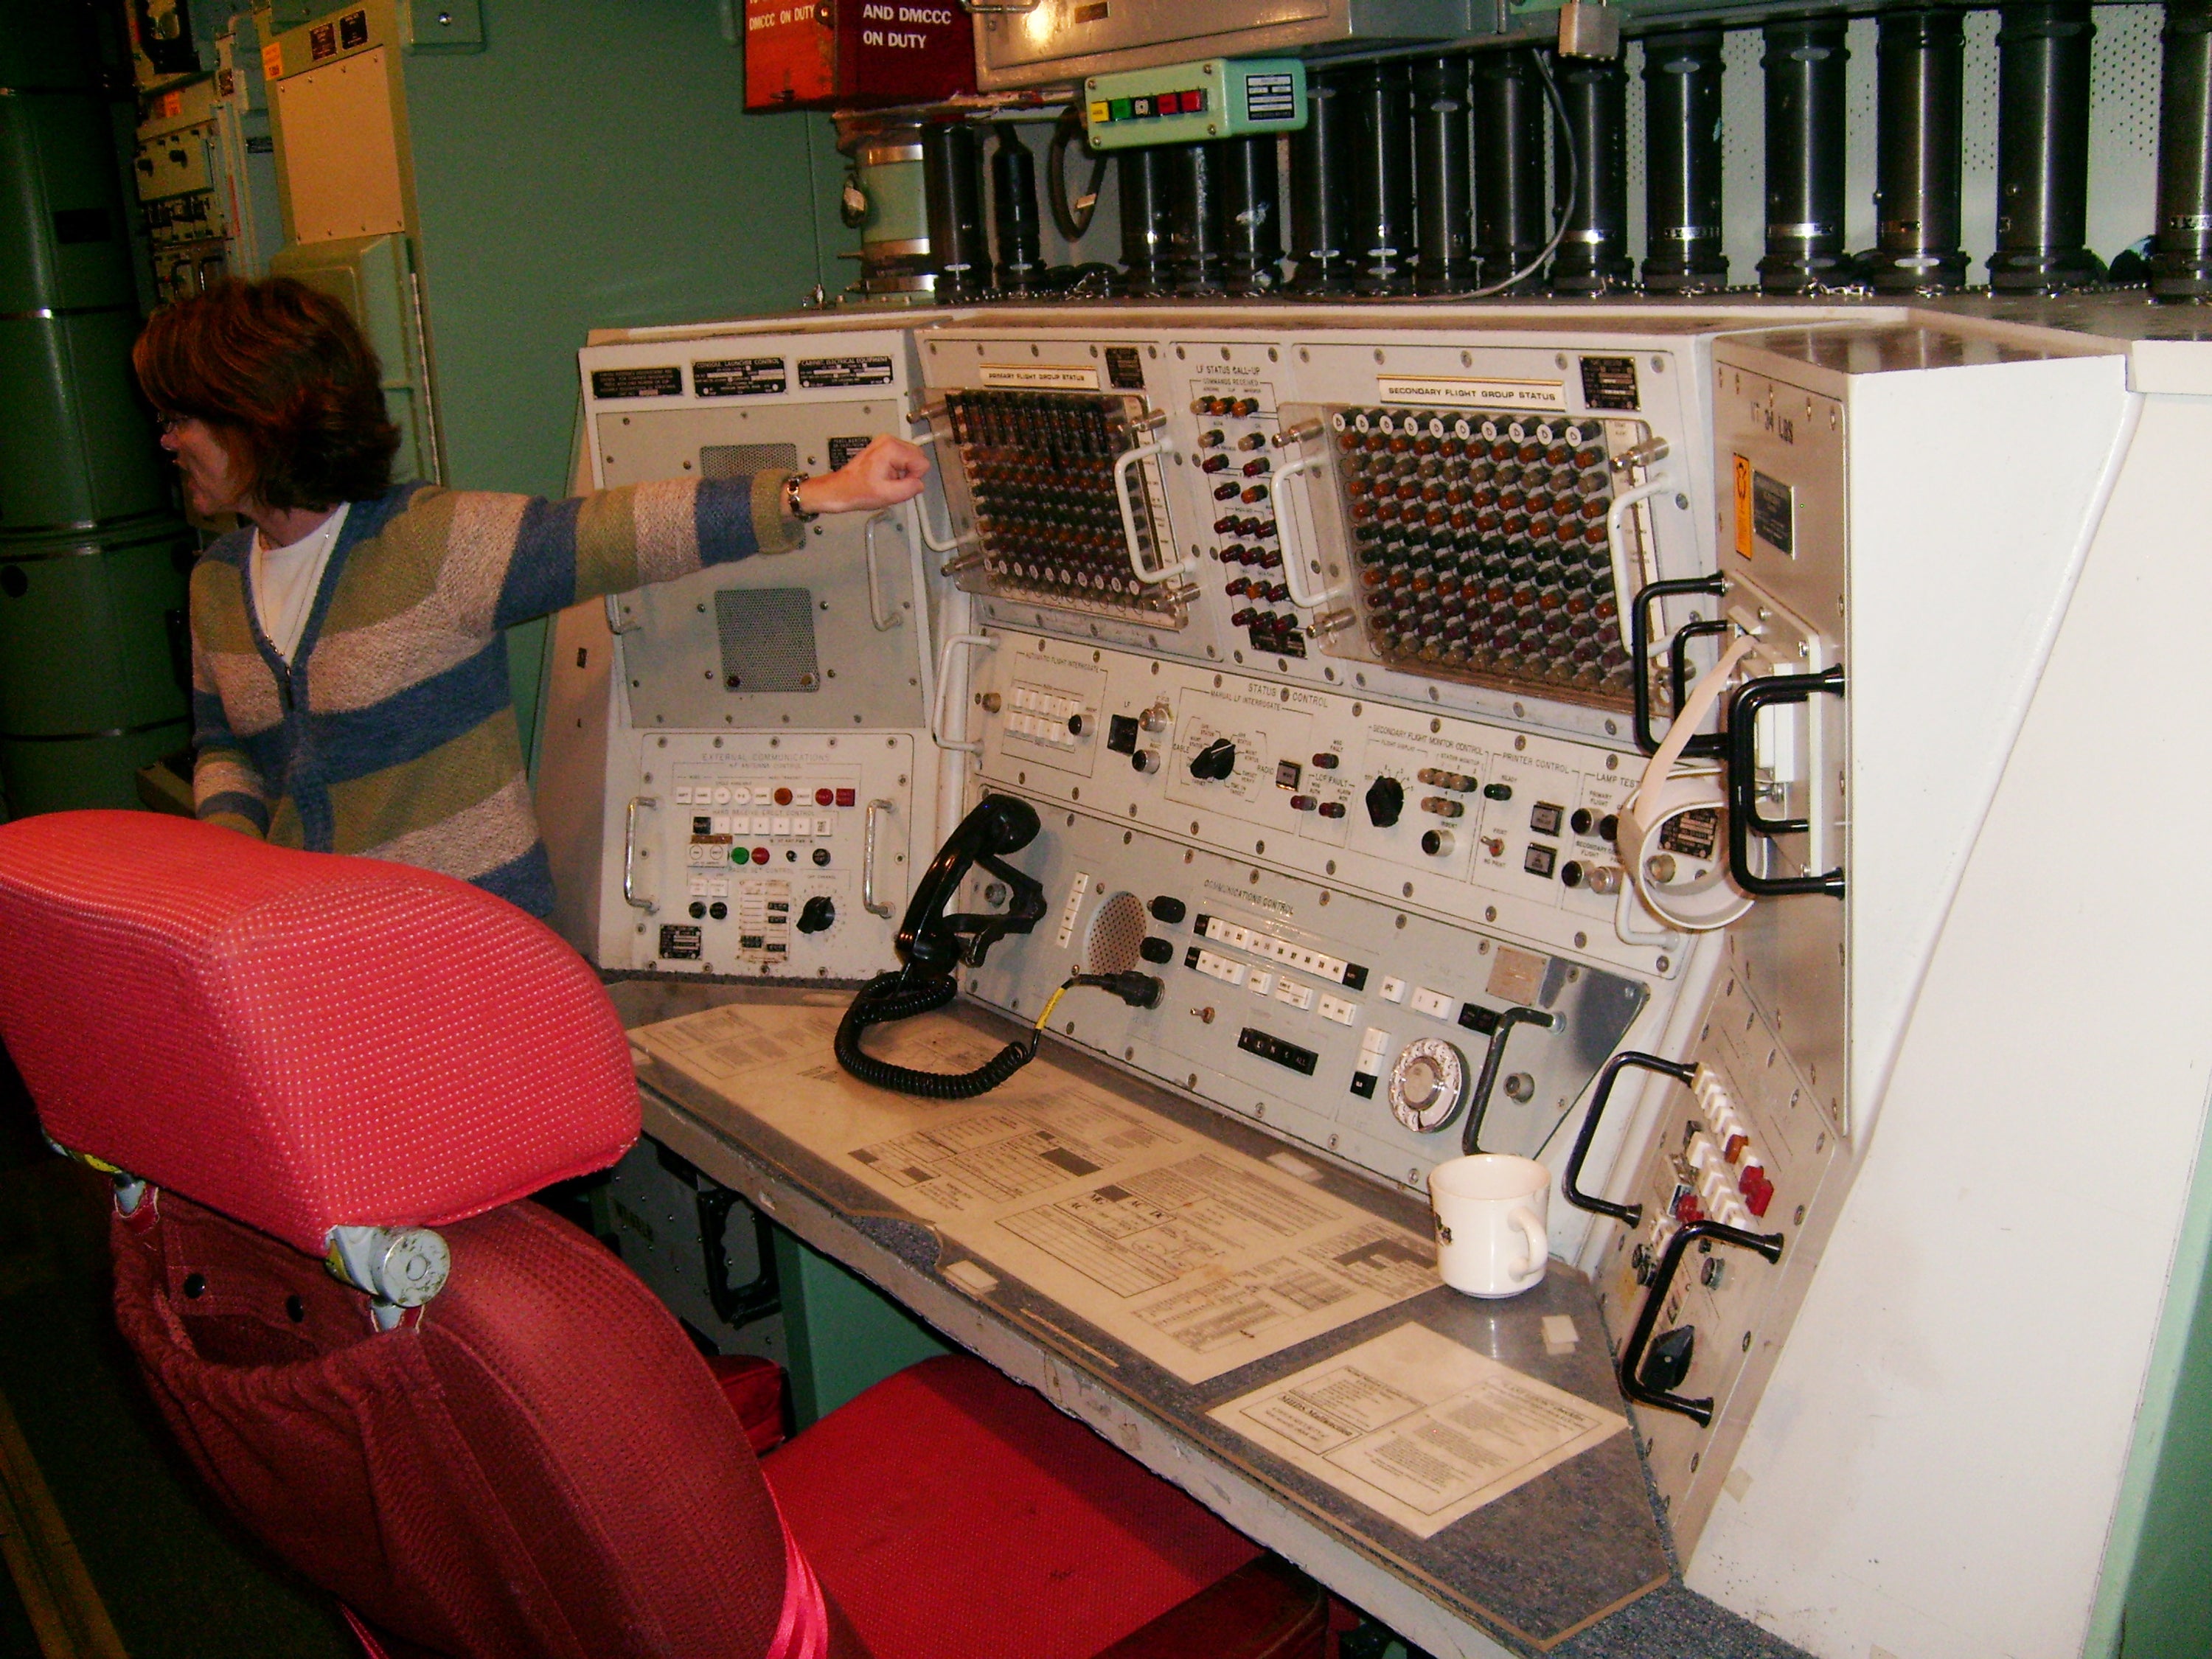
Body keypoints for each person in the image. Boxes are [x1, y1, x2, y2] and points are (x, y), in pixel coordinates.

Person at [133, 277, 928, 919]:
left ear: (259, 417)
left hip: (468, 952)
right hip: (313, 951)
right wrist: (228, 861)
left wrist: (817, 493)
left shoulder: (427, 545)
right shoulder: (217, 582)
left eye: (181, 419)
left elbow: (618, 532)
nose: (167, 442)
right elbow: (226, 746)